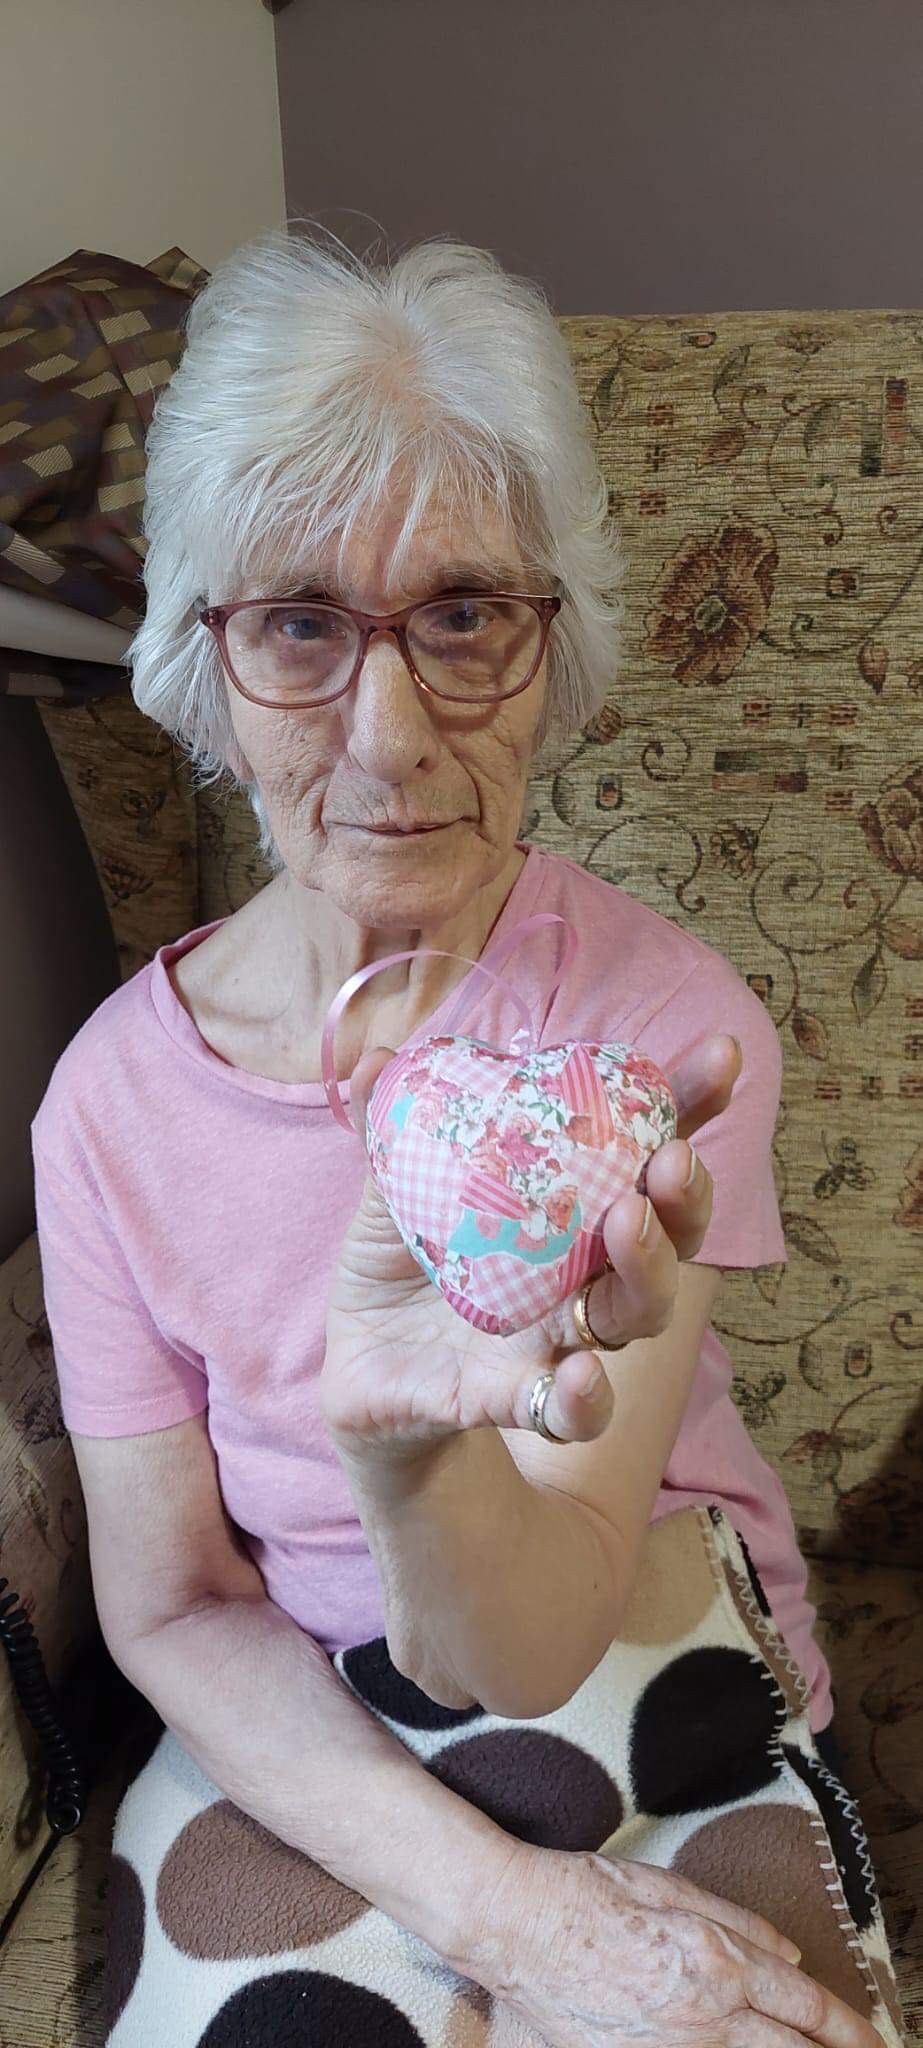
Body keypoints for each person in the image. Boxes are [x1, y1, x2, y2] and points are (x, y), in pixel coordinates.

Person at [31, 226, 903, 2048]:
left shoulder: (662, 1044)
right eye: (298, 624)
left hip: (635, 1628)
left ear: (551, 639)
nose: (388, 736)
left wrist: (414, 1458)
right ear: (205, 658)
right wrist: (513, 1918)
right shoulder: (109, 1106)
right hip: (299, 1715)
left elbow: (531, 1635)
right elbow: (173, 1606)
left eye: (462, 616)